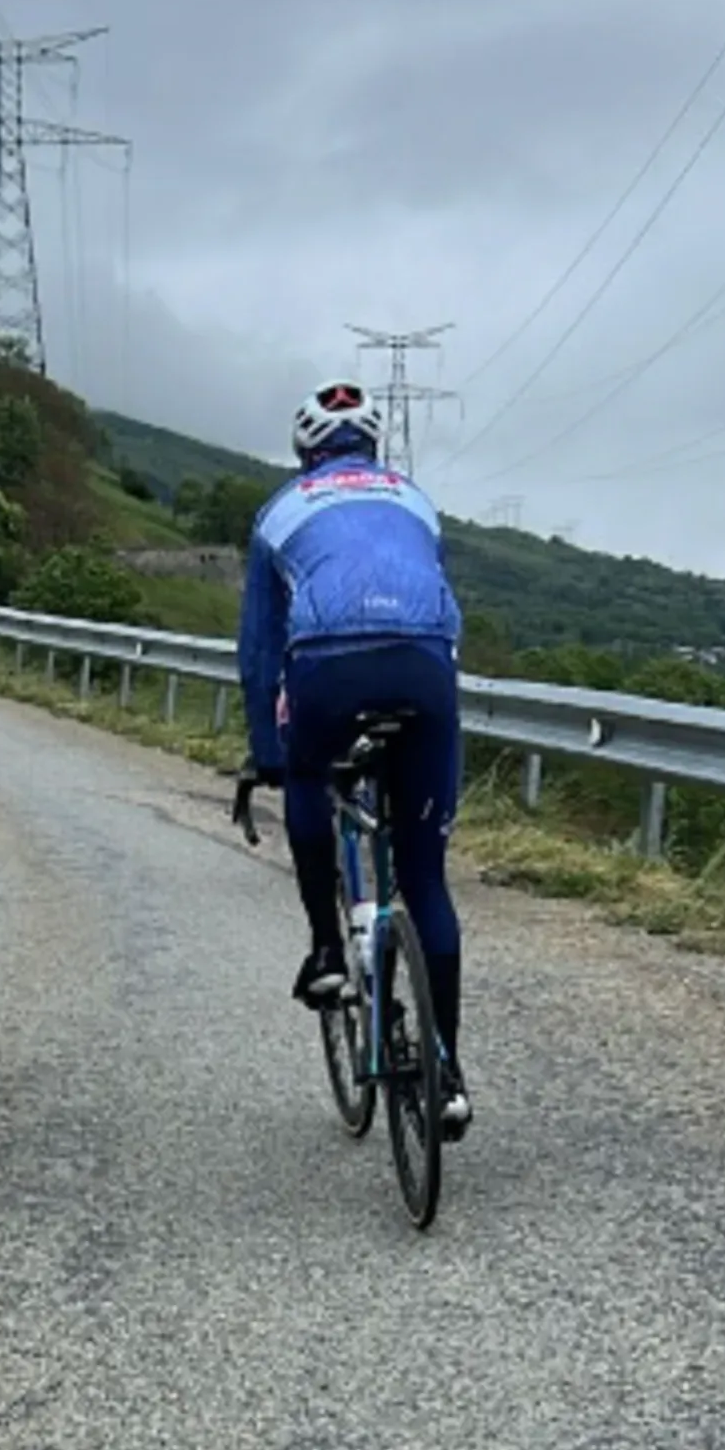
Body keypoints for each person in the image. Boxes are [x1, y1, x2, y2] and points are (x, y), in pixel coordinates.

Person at [235, 379, 471, 1139]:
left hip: (329, 665)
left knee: (306, 773)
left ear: (306, 451)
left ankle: (328, 949)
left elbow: (260, 651)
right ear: (373, 447)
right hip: (424, 665)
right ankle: (447, 1078)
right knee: (426, 878)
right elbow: (445, 612)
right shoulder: (417, 501)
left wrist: (269, 755)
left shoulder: (280, 511)